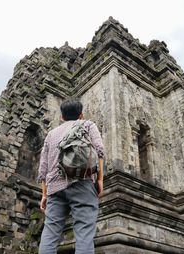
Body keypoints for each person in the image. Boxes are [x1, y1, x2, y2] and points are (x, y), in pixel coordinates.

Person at [37, 99, 105, 254]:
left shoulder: (51, 135)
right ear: (81, 115)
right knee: (84, 232)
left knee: (50, 232)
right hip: (82, 182)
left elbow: (43, 169)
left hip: (54, 188)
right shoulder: (88, 125)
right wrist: (100, 179)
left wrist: (44, 194)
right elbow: (100, 152)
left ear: (62, 117)